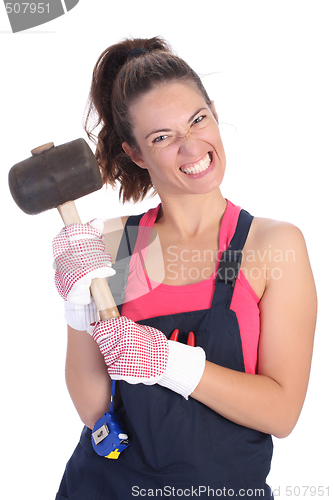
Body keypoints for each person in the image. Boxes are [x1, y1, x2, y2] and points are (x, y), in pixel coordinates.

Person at [52, 37, 317, 500]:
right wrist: (79, 313)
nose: (192, 145)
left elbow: (282, 412)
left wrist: (168, 362)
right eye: (162, 137)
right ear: (135, 153)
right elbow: (96, 409)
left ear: (214, 112)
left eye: (198, 119)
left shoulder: (273, 244)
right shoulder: (116, 243)